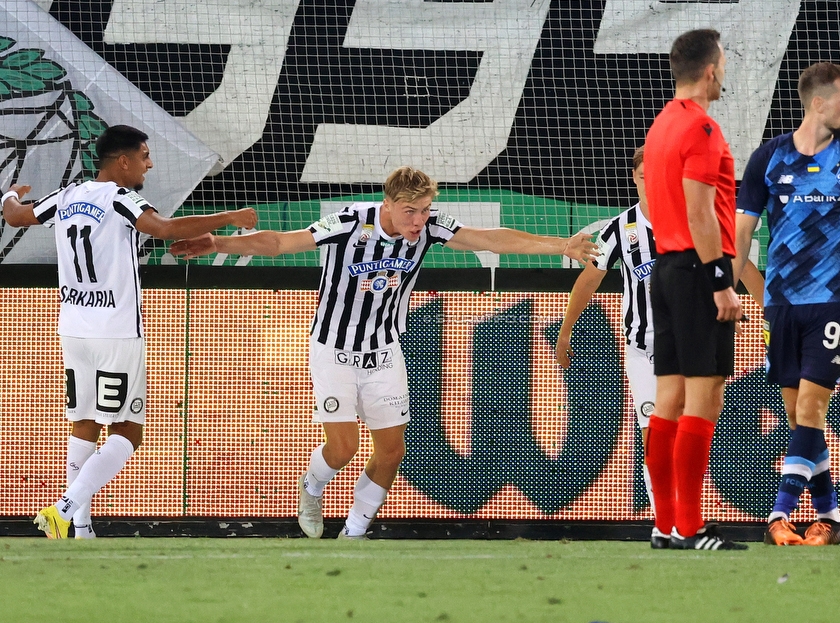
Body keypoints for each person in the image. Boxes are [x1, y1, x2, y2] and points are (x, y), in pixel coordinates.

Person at [169, 166, 599, 539]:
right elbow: (281, 243)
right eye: (410, 211)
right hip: (334, 348)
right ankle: (313, 489)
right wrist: (219, 245)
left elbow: (489, 238)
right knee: (343, 448)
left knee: (392, 451)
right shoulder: (350, 221)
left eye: (425, 209)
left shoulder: (431, 227)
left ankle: (354, 533)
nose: (419, 220)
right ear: (388, 204)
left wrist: (561, 245)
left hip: (384, 352)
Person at [1, 124, 258, 538]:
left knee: (84, 421)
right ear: (123, 162)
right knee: (127, 431)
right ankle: (65, 509)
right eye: (144, 155)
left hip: (74, 328)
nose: (149, 163)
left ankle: (79, 528)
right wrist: (229, 217)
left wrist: (10, 193)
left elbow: (14, 216)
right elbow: (164, 229)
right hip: (116, 331)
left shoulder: (67, 196)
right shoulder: (121, 198)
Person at [733, 63, 840, 546]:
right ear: (818, 103)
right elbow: (742, 234)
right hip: (781, 302)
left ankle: (778, 515)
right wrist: (722, 289)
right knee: (801, 419)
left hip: (835, 299)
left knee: (811, 406)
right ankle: (830, 516)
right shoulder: (768, 158)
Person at [642, 28, 746, 551]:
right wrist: (721, 282)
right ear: (711, 70)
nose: (725, 71)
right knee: (703, 399)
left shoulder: (662, 124)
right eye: (724, 63)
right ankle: (690, 526)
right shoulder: (702, 128)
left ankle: (665, 525)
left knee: (670, 400)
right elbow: (701, 213)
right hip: (696, 271)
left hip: (665, 269)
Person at [555, 145, 662, 544]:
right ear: (635, 177)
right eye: (644, 172)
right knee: (654, 435)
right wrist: (566, 330)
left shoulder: (692, 219)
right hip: (644, 352)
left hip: (691, 349)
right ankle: (665, 522)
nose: (652, 177)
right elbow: (589, 279)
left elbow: (729, 261)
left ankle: (687, 516)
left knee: (689, 435)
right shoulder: (620, 228)